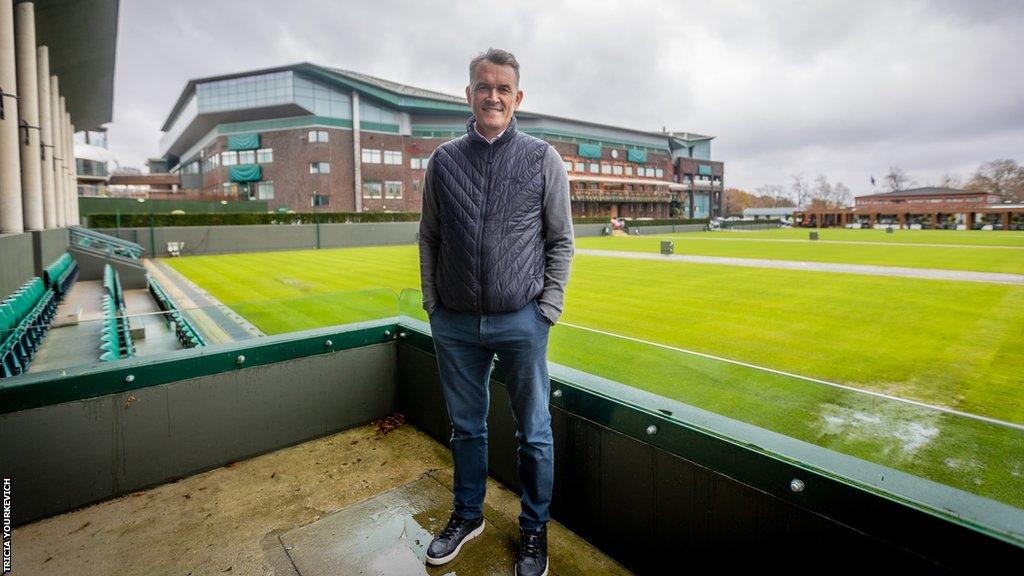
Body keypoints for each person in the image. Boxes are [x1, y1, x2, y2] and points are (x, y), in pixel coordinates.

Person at [417, 48, 574, 576]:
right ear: (469, 94)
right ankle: (467, 515)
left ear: (518, 98)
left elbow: (561, 242)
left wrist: (546, 309)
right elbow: (430, 238)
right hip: (456, 323)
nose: (493, 96)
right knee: (467, 428)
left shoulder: (541, 157)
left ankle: (533, 530)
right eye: (484, 87)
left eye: (503, 88)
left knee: (533, 432)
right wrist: (434, 306)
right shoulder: (443, 160)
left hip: (521, 320)